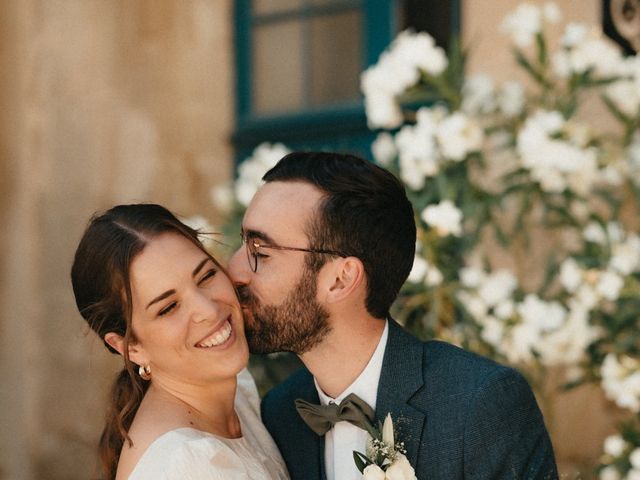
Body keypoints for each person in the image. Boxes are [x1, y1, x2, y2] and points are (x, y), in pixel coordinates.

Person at [228, 152, 559, 480]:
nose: (233, 269)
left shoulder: (479, 404)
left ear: (341, 279)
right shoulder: (279, 414)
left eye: (260, 251)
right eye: (243, 243)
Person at [71, 204, 289, 480]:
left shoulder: (235, 393)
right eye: (168, 307)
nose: (208, 310)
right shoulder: (187, 465)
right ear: (130, 347)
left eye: (206, 276)